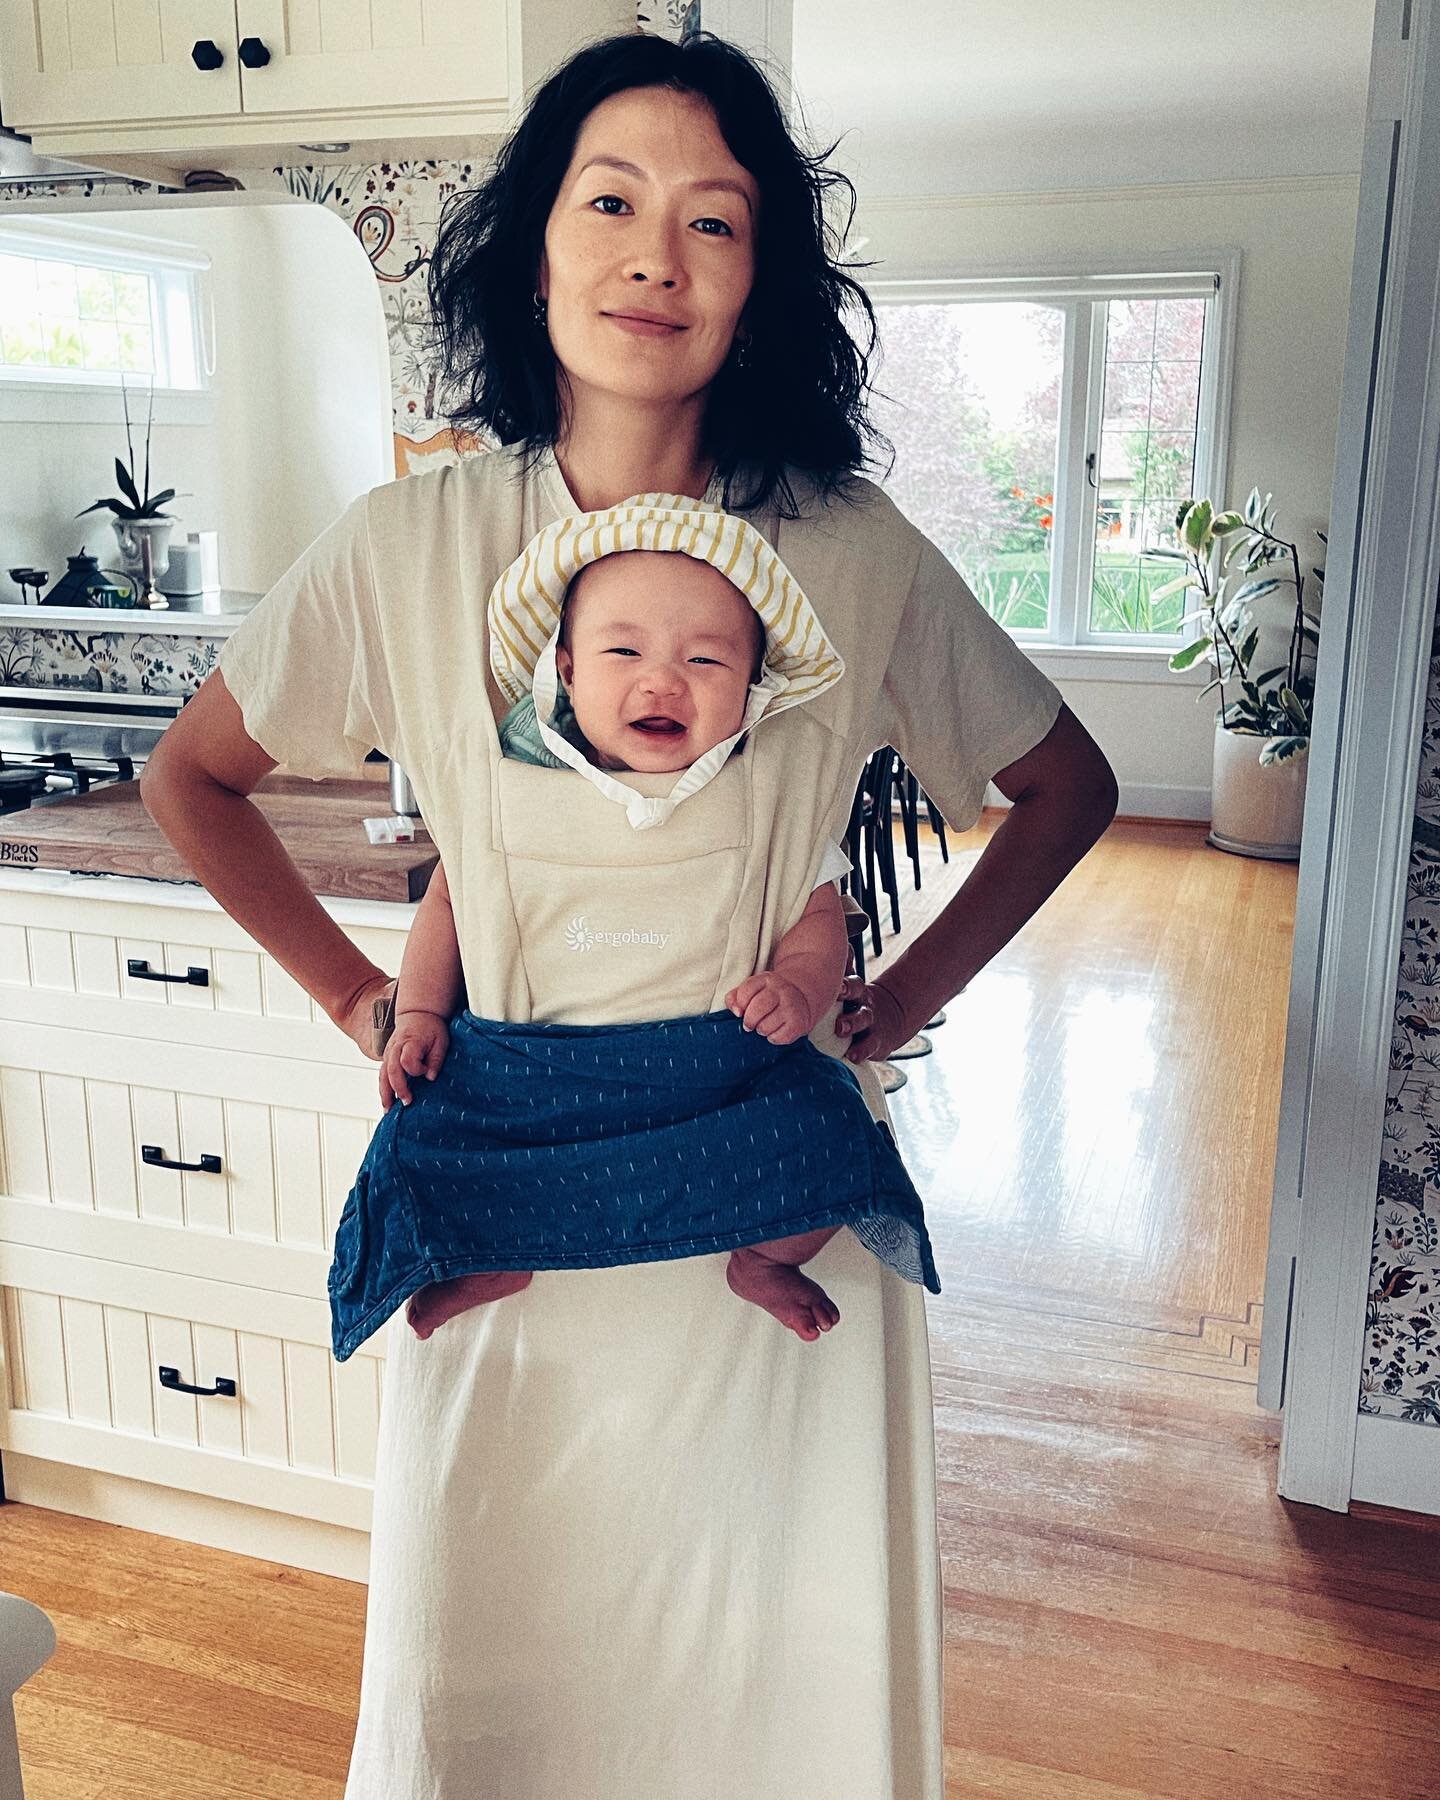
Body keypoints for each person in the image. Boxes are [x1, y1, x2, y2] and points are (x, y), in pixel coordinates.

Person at [139, 29, 1117, 1799]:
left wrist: (882, 1008)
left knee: (774, 1701)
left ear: (765, 284)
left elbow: (1068, 789)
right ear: (534, 243)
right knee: (493, 1690)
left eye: (716, 220)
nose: (655, 254)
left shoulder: (854, 546)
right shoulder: (403, 544)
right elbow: (186, 778)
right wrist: (369, 1006)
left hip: (776, 1239)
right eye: (611, 199)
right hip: (506, 1228)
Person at [349, 507, 939, 1353]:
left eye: (704, 659)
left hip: (710, 1072)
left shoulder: (765, 796)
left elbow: (820, 914)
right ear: (563, 669)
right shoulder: (511, 789)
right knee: (420, 1135)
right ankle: (490, 1251)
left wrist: (798, 985)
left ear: (752, 686)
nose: (663, 682)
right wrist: (415, 1016)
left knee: (835, 1128)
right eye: (622, 652)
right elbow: (450, 902)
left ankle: (763, 1259)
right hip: (531, 1073)